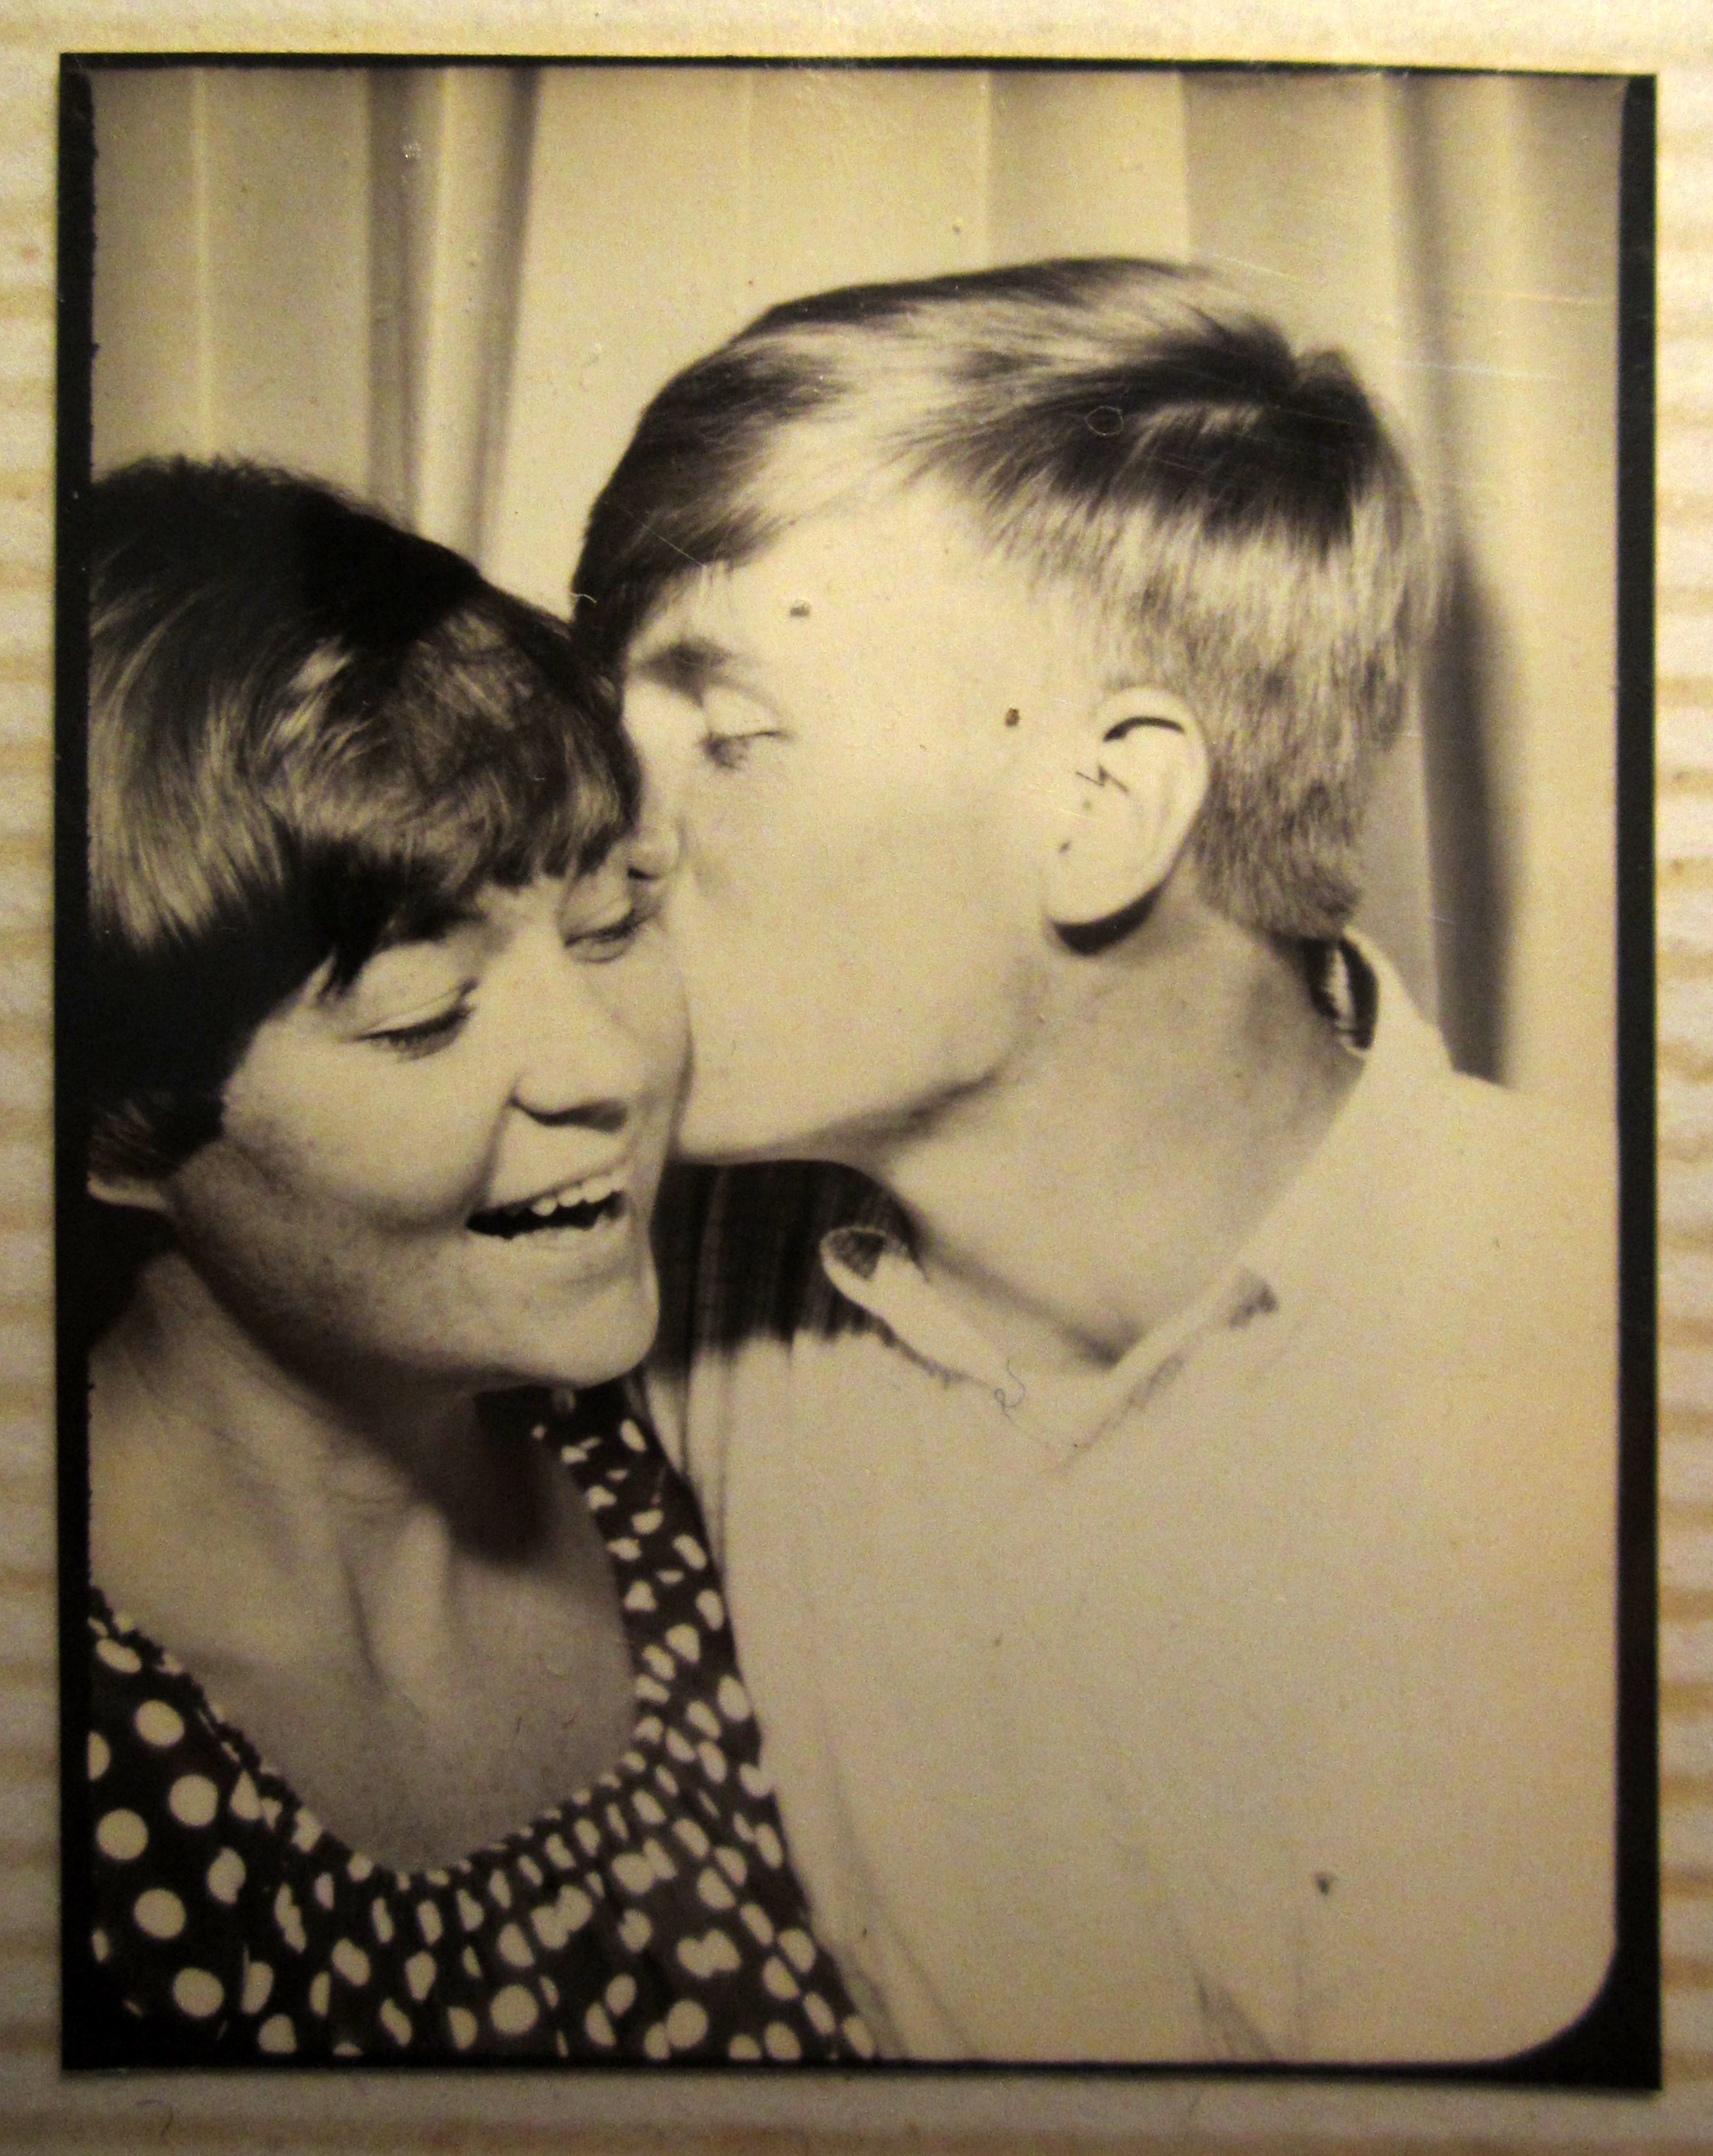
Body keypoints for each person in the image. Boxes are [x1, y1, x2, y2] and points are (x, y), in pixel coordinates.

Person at [570, 259, 1618, 2064]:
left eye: (728, 737)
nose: (604, 838)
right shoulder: (658, 1260)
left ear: (1102, 807)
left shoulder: (1614, 1355)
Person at [72, 458, 872, 2066]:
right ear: (113, 1124)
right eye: (420, 1014)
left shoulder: (687, 1469)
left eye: (609, 927)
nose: (607, 1067)